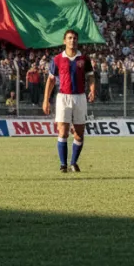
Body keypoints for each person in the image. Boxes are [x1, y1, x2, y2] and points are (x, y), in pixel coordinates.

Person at [43, 30, 97, 172]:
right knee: (63, 132)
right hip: (63, 98)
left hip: (80, 97)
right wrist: (46, 100)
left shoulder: (84, 59)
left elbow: (90, 76)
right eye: (69, 38)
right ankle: (63, 165)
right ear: (64, 41)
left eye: (74, 38)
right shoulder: (57, 59)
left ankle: (73, 162)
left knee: (79, 134)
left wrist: (92, 90)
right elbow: (51, 80)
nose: (72, 40)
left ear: (77, 41)